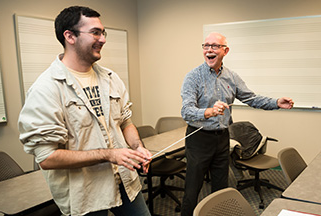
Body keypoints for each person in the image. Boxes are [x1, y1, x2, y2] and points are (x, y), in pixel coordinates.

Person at [18, 6, 152, 216]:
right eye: (95, 32)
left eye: (102, 32)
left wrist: (137, 147)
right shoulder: (46, 89)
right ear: (70, 36)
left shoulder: (110, 78)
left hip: (125, 181)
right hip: (87, 193)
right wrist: (109, 155)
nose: (103, 39)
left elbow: (125, 122)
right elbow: (47, 157)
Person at [180, 32, 294, 215]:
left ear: (225, 51)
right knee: (192, 190)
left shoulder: (232, 77)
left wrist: (276, 102)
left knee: (221, 189)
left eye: (215, 46)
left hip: (223, 139)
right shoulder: (193, 77)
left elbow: (252, 99)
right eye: (206, 45)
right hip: (199, 139)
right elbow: (186, 111)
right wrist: (208, 112)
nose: (209, 49)